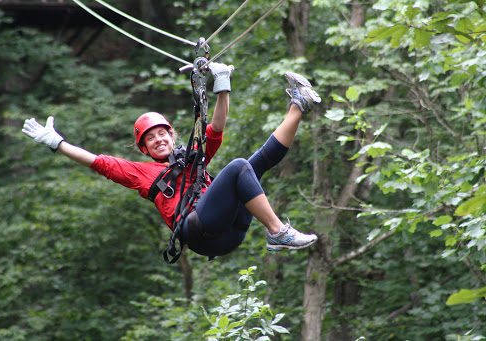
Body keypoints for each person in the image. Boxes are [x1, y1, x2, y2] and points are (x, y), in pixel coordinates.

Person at [22, 63, 321, 260]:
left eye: (163, 133)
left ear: (172, 134)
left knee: (251, 167)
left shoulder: (192, 158)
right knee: (239, 166)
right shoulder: (142, 173)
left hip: (230, 231)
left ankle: (298, 105)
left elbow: (216, 127)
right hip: (200, 231)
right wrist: (57, 143)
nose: (159, 139)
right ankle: (278, 232)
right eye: (151, 139)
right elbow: (99, 162)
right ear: (144, 149)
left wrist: (223, 83)